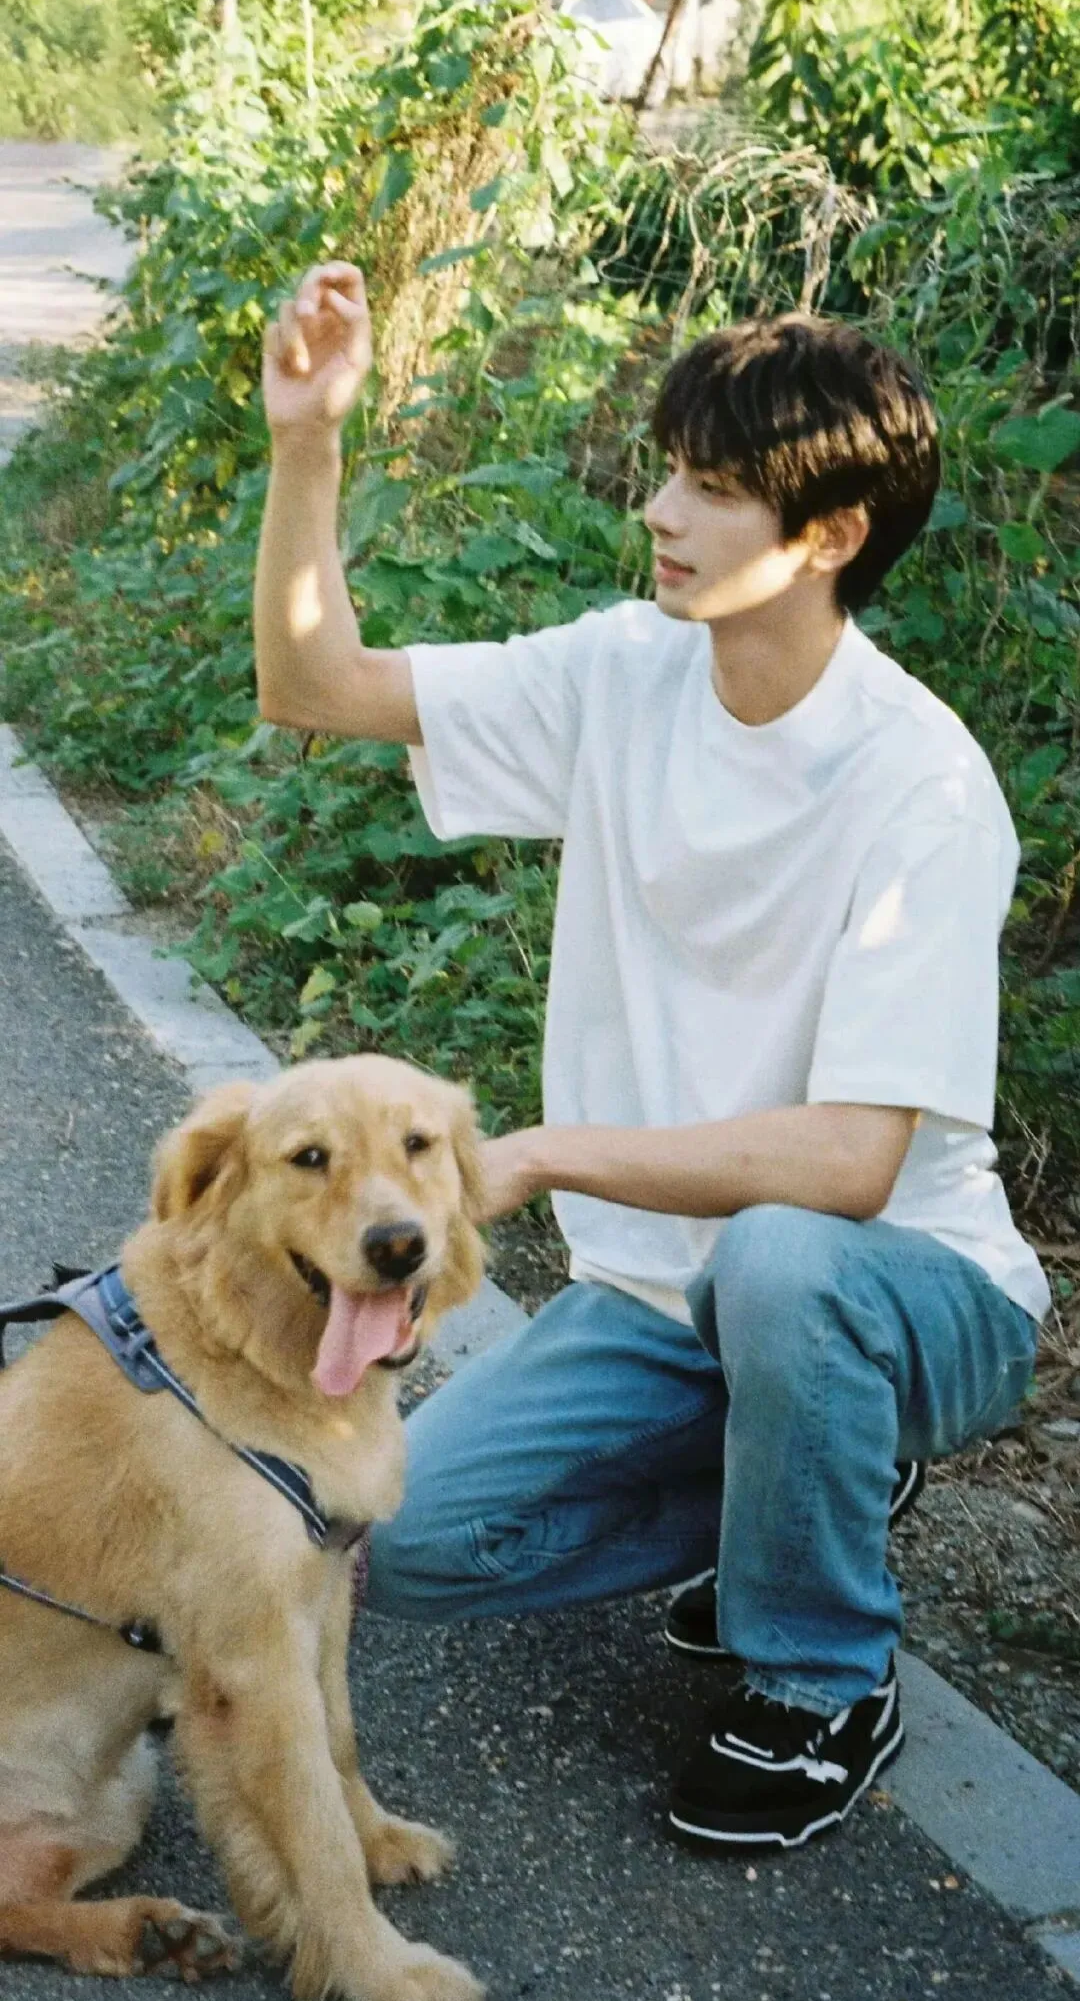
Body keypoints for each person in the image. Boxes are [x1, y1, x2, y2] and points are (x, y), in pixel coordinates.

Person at [254, 261, 1048, 1855]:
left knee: (781, 1261)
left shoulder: (922, 784)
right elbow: (314, 684)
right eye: (673, 471)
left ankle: (820, 1675)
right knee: (393, 1541)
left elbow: (852, 1167)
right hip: (658, 1302)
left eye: (716, 489)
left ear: (830, 535)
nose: (662, 512)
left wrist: (546, 1152)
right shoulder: (625, 673)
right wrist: (309, 441)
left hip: (911, 1290)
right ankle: (801, 1484)